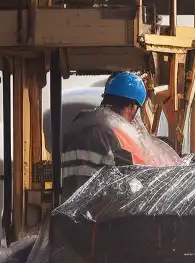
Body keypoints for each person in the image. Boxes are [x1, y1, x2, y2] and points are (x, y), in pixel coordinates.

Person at [59, 71, 181, 200]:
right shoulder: (113, 131)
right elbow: (128, 178)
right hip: (95, 211)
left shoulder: (79, 123)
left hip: (69, 204)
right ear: (131, 106)